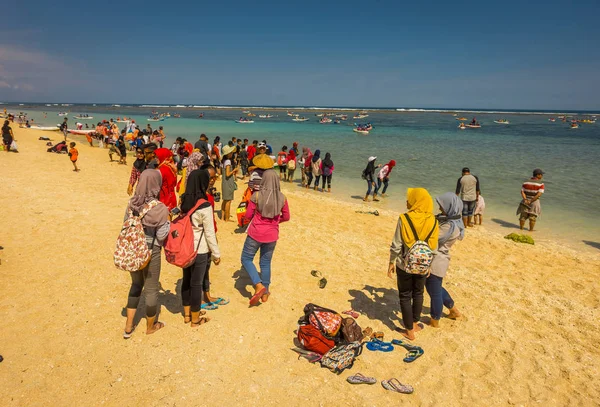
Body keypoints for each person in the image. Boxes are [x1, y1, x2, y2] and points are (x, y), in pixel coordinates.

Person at [123, 170, 171, 338]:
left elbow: (125, 224)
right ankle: (151, 326)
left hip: (133, 249)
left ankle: (129, 326)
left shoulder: (132, 204)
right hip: (152, 250)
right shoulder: (160, 208)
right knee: (151, 288)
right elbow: (161, 236)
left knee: (136, 285)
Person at [388, 188, 439, 340]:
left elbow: (396, 244)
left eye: (410, 198)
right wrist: (429, 264)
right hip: (423, 264)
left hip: (404, 263)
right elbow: (434, 248)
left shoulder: (404, 218)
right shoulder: (433, 220)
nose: (407, 201)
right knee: (418, 293)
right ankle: (415, 323)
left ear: (416, 201)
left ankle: (409, 330)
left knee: (405, 295)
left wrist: (391, 261)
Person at [241, 169, 290, 306]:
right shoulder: (282, 198)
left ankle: (258, 285)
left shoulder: (256, 196)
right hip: (272, 235)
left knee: (246, 258)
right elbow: (286, 217)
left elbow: (248, 215)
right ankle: (266, 293)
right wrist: (275, 222)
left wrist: (244, 220)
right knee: (265, 263)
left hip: (256, 232)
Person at [179, 168, 221, 327]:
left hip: (186, 247)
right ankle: (195, 319)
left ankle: (187, 314)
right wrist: (216, 254)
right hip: (200, 249)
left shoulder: (184, 201)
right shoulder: (204, 206)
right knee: (196, 283)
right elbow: (209, 233)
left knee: (187, 280)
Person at [425, 192, 463, 328]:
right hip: (441, 259)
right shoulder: (453, 221)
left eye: (442, 206)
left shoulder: (449, 226)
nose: (440, 208)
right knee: (435, 287)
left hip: (436, 260)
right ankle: (453, 311)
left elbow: (432, 239)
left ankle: (435, 320)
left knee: (434, 291)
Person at [221, 145, 238, 221]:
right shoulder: (228, 161)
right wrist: (234, 170)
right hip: (228, 182)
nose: (231, 154)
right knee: (228, 200)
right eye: (230, 152)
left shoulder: (223, 161)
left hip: (224, 182)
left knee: (225, 200)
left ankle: (222, 217)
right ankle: (227, 218)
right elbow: (228, 174)